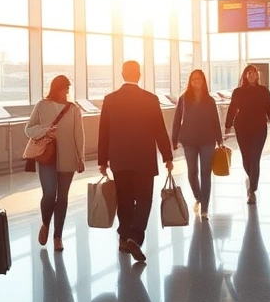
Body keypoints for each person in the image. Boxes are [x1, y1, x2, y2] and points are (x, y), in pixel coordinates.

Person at [98, 61, 173, 262]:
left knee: (124, 199)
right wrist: (167, 156)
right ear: (139, 74)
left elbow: (103, 131)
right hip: (144, 159)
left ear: (123, 74)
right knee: (144, 199)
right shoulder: (150, 99)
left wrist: (102, 161)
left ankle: (123, 238)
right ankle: (135, 236)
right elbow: (159, 129)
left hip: (119, 159)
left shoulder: (110, 99)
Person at [25, 75, 85, 252]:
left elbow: (79, 135)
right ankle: (45, 223)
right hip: (47, 157)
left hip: (68, 158)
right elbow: (28, 129)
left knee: (63, 197)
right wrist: (45, 130)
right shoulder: (42, 106)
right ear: (55, 88)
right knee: (50, 193)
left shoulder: (73, 109)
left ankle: (58, 236)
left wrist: (80, 158)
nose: (66, 91)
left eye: (68, 88)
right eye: (63, 87)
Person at [170, 69, 223, 219]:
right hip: (189, 140)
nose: (196, 82)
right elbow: (176, 120)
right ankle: (198, 197)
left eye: (199, 79)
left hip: (207, 140)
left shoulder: (210, 100)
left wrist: (219, 139)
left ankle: (204, 208)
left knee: (206, 173)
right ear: (190, 82)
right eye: (194, 80)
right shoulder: (184, 98)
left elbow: (215, 120)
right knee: (192, 171)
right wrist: (174, 139)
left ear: (203, 81)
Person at [224, 65, 270, 205]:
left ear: (257, 76)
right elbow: (232, 109)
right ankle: (252, 178)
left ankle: (252, 190)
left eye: (254, 73)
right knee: (246, 158)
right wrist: (227, 126)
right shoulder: (238, 92)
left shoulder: (263, 91)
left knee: (255, 158)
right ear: (245, 75)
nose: (252, 75)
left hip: (259, 128)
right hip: (242, 128)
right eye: (249, 73)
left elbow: (269, 108)